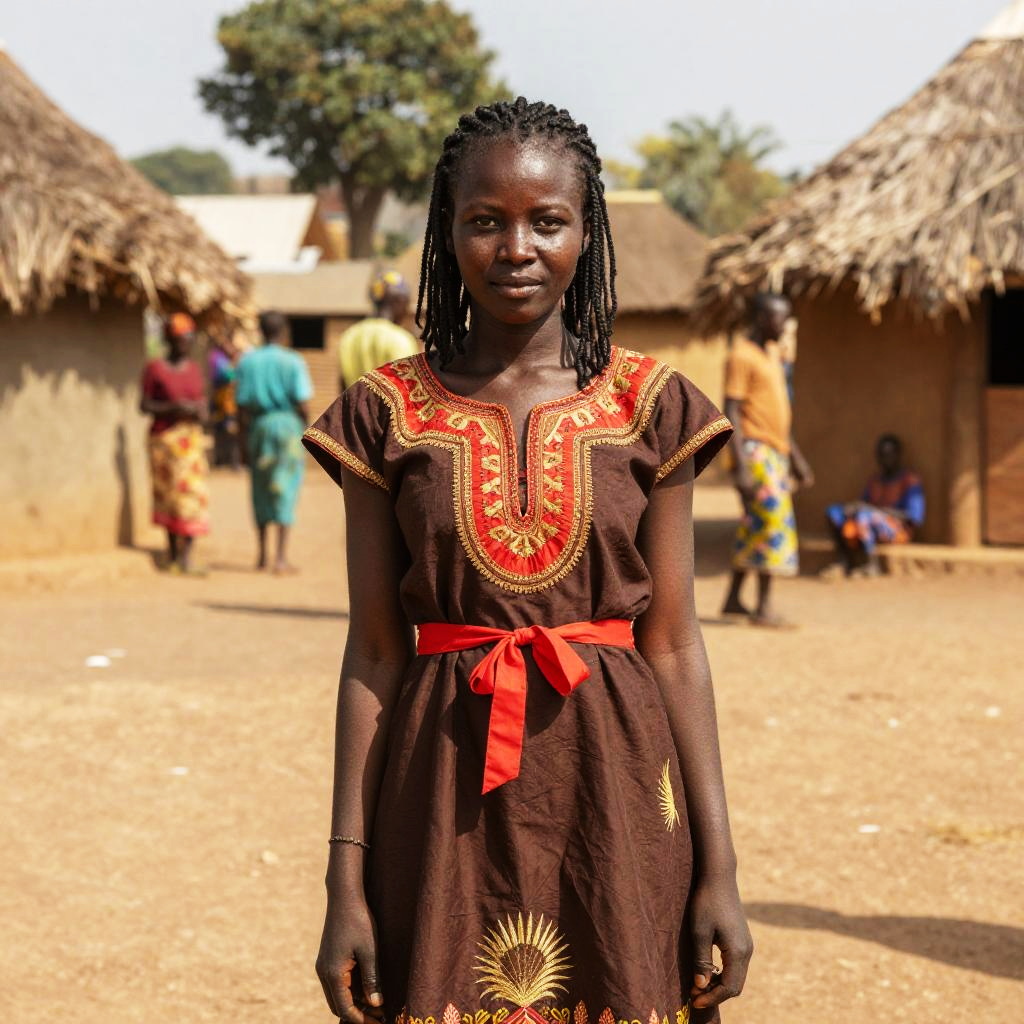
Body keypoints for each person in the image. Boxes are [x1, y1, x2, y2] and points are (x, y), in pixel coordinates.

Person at [303, 98, 749, 1024]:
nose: (516, 248)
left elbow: (671, 643)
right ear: (447, 230)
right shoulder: (384, 413)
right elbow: (376, 652)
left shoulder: (651, 406)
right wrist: (343, 875)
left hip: (617, 787)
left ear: (587, 234)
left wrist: (722, 869)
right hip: (437, 791)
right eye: (484, 221)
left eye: (547, 220)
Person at [720, 293, 814, 627]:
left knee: (753, 528)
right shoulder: (741, 357)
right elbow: (731, 410)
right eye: (779, 318)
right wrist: (741, 466)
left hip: (774, 451)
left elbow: (775, 414)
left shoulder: (772, 354)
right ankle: (763, 608)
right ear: (761, 319)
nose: (785, 325)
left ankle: (733, 598)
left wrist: (796, 458)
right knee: (773, 526)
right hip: (754, 452)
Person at [235, 311, 313, 573]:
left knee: (260, 486)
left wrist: (242, 442)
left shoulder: (248, 362)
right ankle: (280, 557)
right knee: (285, 486)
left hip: (258, 426)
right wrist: (306, 429)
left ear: (260, 331)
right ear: (284, 331)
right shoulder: (293, 361)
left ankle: (261, 554)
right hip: (287, 427)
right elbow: (302, 401)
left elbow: (241, 407)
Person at [140, 312, 209, 573]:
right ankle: (171, 553)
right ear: (170, 339)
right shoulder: (155, 370)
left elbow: (202, 403)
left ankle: (187, 555)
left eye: (190, 337)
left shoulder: (193, 370)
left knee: (192, 496)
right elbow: (144, 404)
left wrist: (198, 411)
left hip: (189, 443)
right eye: (182, 337)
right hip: (163, 442)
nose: (187, 342)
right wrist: (173, 407)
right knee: (168, 496)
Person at [825, 434, 925, 577]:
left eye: (889, 455)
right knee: (834, 512)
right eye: (881, 455)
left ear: (898, 455)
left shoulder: (910, 482)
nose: (884, 460)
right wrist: (853, 508)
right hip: (867, 524)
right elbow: (864, 504)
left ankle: (872, 564)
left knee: (865, 515)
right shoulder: (875, 481)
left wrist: (874, 511)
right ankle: (843, 562)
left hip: (897, 530)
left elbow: (912, 517)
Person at [337, 270, 420, 392]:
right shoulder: (400, 339)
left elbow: (343, 385)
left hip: (355, 410)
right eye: (407, 304)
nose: (407, 311)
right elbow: (408, 390)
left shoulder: (350, 335)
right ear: (399, 301)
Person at [208, 338, 241, 469]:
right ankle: (228, 461)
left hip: (226, 403)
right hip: (223, 403)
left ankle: (226, 461)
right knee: (227, 430)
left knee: (227, 431)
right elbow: (229, 378)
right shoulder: (219, 359)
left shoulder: (222, 359)